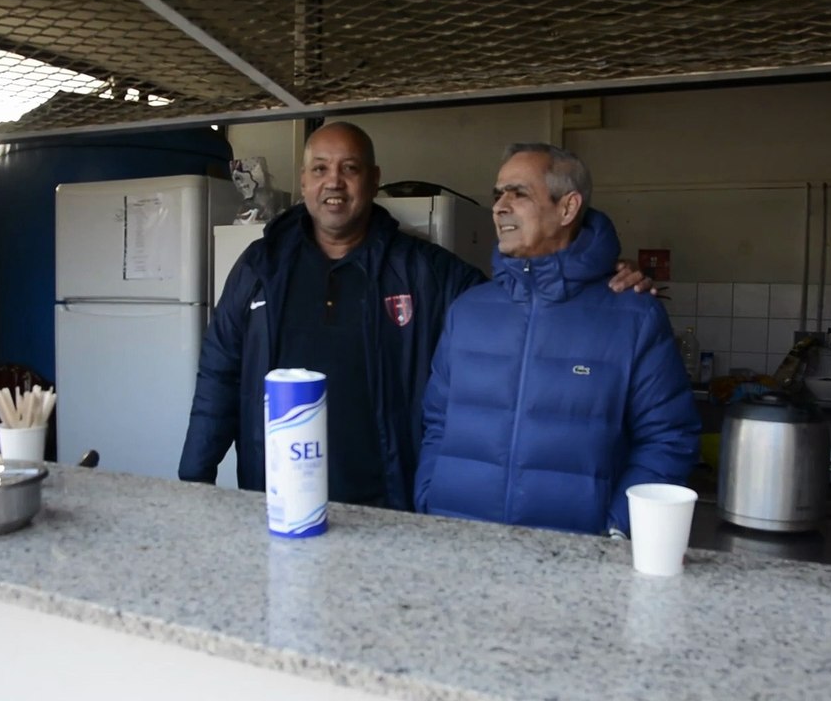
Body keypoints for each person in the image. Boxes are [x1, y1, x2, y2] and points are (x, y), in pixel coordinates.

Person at [178, 123, 653, 510]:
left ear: (374, 178)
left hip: (384, 503)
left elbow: (524, 301)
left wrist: (594, 270)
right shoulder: (260, 268)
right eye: (320, 168)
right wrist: (194, 481)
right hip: (275, 497)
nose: (334, 181)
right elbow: (219, 374)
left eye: (350, 168)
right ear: (303, 182)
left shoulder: (424, 270)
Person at [415, 142, 699, 535]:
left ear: (567, 208)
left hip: (578, 555)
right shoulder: (468, 311)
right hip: (458, 541)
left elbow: (668, 437)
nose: (499, 207)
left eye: (519, 194)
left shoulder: (633, 316)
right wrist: (429, 495)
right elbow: (437, 420)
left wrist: (618, 530)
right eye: (498, 195)